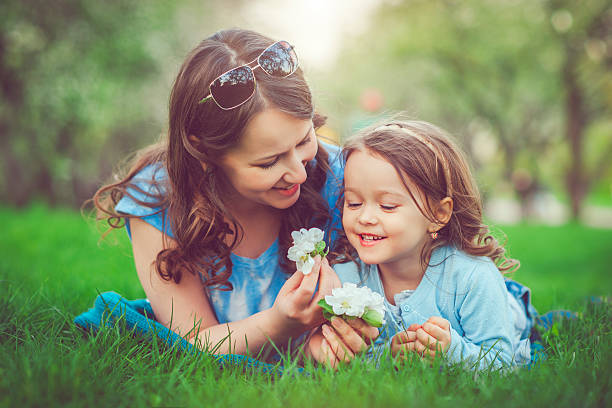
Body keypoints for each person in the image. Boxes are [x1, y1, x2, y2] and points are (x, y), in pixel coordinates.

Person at [92, 29, 345, 357]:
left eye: (304, 140)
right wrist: (279, 323)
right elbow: (194, 341)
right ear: (205, 153)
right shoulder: (158, 200)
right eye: (268, 162)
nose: (299, 172)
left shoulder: (339, 176)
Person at [307, 120, 537, 369]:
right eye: (353, 203)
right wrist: (387, 358)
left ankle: (520, 305)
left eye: (387, 206)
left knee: (525, 321)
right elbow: (349, 357)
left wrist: (451, 352)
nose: (365, 217)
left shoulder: (473, 277)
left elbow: (502, 365)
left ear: (438, 214)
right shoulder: (346, 279)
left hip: (503, 310)